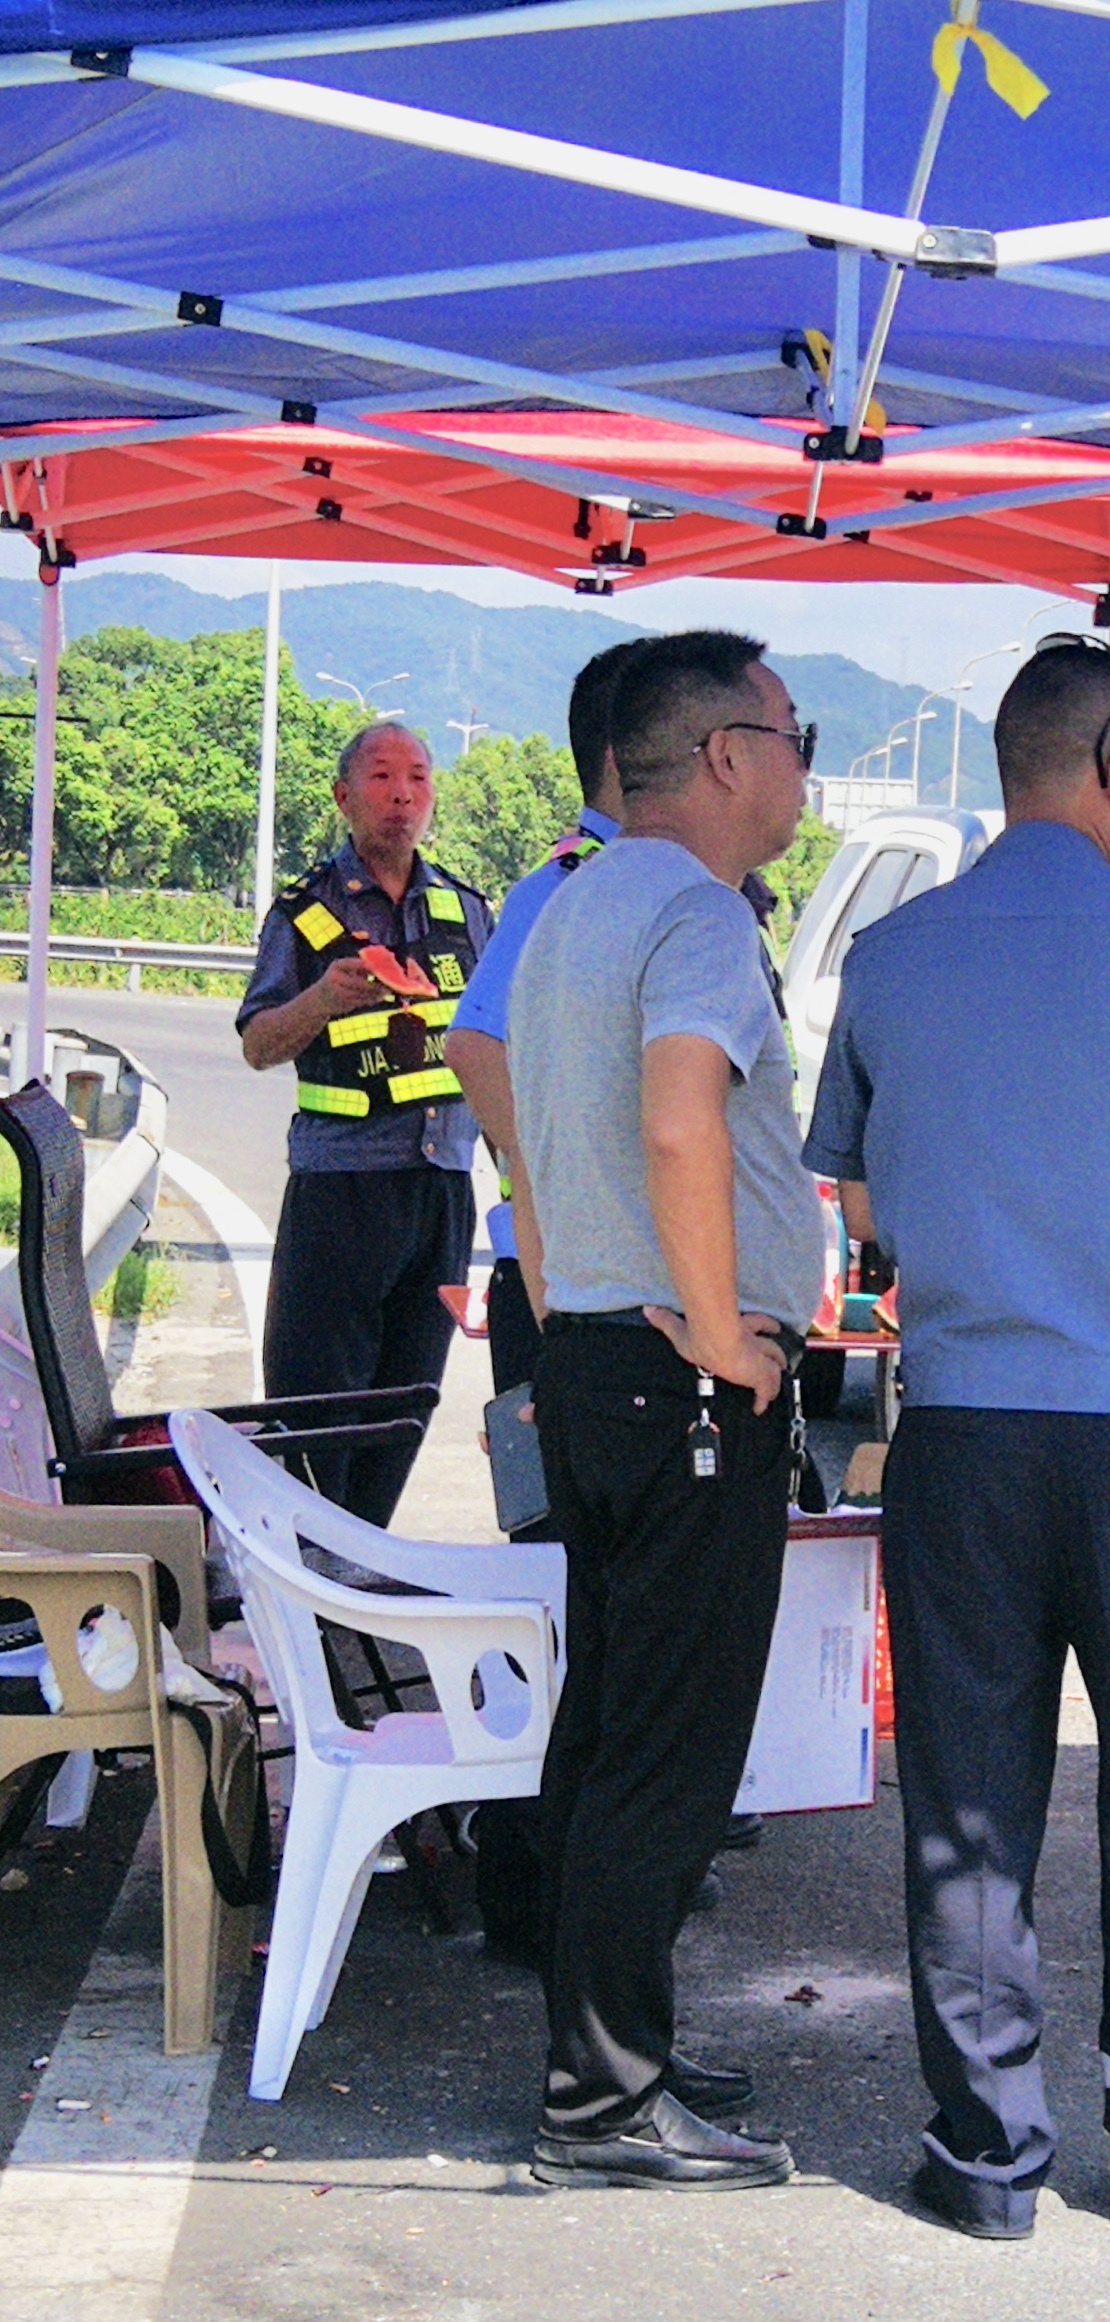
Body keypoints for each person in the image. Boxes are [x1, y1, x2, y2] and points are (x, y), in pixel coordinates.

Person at [805, 634, 1110, 2239]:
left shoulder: (891, 954)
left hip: (961, 1430)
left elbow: (857, 1198)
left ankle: (987, 2156)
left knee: (967, 1806)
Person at [510, 629, 822, 2192]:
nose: (803, 766)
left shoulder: (572, 902)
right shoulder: (696, 910)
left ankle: (607, 2047)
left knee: (609, 1728)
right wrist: (717, 1329)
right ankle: (604, 2102)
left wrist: (580, 1289)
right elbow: (682, 1116)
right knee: (668, 1753)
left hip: (590, 1356)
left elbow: (518, 1116)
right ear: (722, 753)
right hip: (684, 1378)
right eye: (794, 734)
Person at [237, 722, 493, 1525]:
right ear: (344, 797)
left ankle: (362, 1559)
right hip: (341, 1189)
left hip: (440, 1189)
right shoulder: (306, 912)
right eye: (382, 778)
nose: (402, 796)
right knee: (316, 1409)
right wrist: (322, 999)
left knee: (406, 1402)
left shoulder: (466, 911)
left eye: (417, 778)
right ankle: (310, 1564)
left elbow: (495, 1053)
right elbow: (257, 1044)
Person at [446, 636, 649, 1402]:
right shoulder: (569, 887)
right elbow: (473, 1046)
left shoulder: (651, 883)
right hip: (568, 1286)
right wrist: (558, 1203)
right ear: (625, 755)